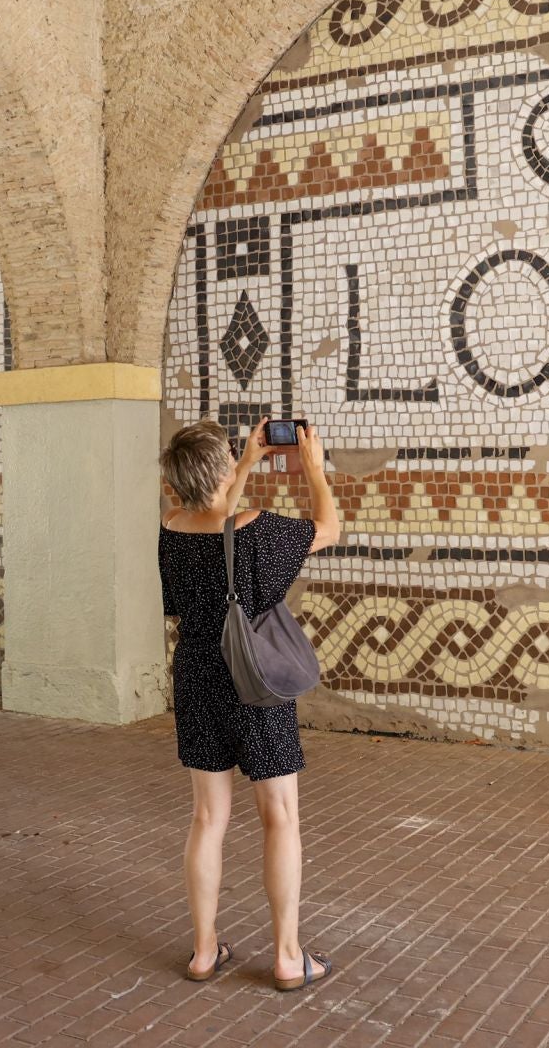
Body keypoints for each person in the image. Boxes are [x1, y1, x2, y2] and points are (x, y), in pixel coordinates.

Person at [158, 417, 342, 992]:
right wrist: (311, 464)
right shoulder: (257, 530)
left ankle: (204, 952)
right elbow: (328, 527)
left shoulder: (171, 528)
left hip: (197, 677)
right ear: (219, 469)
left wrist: (241, 466)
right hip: (254, 680)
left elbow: (212, 519)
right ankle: (288, 957)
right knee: (278, 816)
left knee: (207, 819)